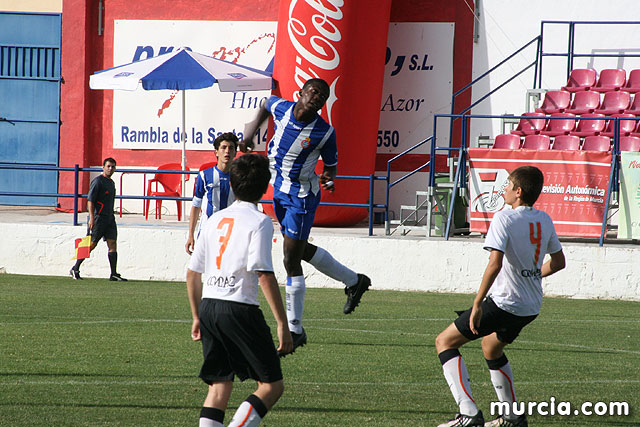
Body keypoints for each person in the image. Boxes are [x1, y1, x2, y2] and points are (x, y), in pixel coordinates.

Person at [241, 78, 371, 355]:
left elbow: (331, 167)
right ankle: (354, 280)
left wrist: (328, 179)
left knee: (290, 258)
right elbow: (265, 102)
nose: (317, 98)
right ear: (300, 93)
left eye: (322, 97)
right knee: (296, 251)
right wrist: (251, 133)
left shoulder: (324, 132)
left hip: (301, 197)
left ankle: (295, 330)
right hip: (278, 190)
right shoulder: (282, 108)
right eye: (313, 92)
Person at [434, 166, 566, 427]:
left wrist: (476, 304)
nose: (503, 189)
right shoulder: (545, 219)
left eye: (507, 185)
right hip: (530, 306)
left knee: (445, 342)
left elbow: (494, 264)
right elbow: (559, 262)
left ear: (518, 191)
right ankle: (512, 417)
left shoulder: (503, 218)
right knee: (491, 346)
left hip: (506, 302)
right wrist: (533, 275)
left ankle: (468, 414)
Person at [186, 153, 293, 427]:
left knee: (219, 386)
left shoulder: (213, 220)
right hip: (239, 307)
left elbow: (192, 272)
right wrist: (282, 323)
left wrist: (197, 316)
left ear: (231, 185)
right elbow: (264, 273)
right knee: (271, 386)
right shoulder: (260, 221)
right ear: (265, 187)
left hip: (210, 305)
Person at [70, 157, 127, 281]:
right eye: (108, 166)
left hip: (109, 218)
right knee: (91, 244)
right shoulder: (98, 182)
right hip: (98, 217)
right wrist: (92, 217)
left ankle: (113, 274)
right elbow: (90, 201)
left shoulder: (111, 183)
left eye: (113, 167)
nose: (110, 169)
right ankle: (75, 268)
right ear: (103, 167)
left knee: (112, 243)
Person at [185, 132, 238, 255]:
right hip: (208, 230)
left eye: (231, 148)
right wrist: (190, 235)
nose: (227, 151)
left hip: (231, 231)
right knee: (205, 270)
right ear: (216, 152)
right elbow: (196, 205)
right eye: (223, 147)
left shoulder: (239, 176)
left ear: (235, 152)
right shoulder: (204, 175)